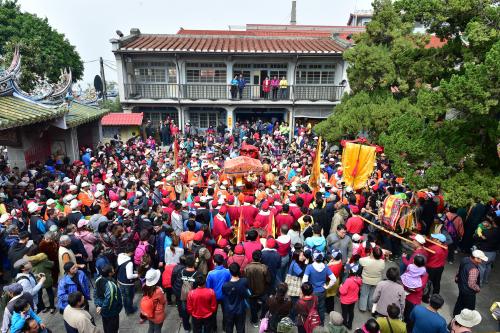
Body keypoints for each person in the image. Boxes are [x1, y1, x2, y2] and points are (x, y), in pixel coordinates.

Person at [302, 251, 337, 325]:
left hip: (312, 292)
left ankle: (311, 323)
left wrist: (305, 292)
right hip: (322, 291)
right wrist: (327, 286)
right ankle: (321, 323)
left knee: (312, 308)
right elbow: (334, 279)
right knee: (321, 308)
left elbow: (304, 281)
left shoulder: (309, 267)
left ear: (314, 258)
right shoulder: (325, 267)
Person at [453, 249, 487, 315]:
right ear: (476, 258)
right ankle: (465, 322)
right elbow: (471, 284)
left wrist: (457, 277)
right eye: (481, 259)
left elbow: (459, 270)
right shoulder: (474, 269)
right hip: (468, 292)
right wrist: (478, 288)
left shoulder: (465, 259)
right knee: (469, 309)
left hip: (461, 286)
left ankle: (456, 315)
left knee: (460, 302)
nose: (482, 261)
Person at [245, 249, 271, 327]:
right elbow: (268, 280)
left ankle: (254, 321)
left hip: (251, 291)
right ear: (260, 258)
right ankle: (262, 317)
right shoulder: (264, 267)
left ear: (252, 257)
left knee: (252, 307)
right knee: (266, 304)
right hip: (262, 291)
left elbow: (245, 280)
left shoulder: (247, 267)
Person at [206, 254, 231, 331]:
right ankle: (225, 327)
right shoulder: (228, 272)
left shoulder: (210, 273)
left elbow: (208, 287)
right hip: (225, 296)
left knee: (213, 314)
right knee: (226, 313)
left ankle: (214, 328)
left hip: (214, 297)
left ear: (214, 262)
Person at [94, 264, 122, 333]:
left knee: (106, 326)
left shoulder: (98, 279)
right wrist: (103, 308)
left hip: (102, 309)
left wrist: (98, 305)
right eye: (112, 270)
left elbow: (95, 294)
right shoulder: (111, 285)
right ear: (109, 273)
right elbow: (109, 300)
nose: (114, 271)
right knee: (113, 328)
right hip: (111, 311)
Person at [222, 263, 249, 333]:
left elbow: (224, 295)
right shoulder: (244, 281)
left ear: (230, 272)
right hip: (240, 310)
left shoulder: (225, 285)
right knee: (240, 329)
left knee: (229, 329)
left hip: (229, 310)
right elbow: (246, 294)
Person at [358, 246, 385, 312]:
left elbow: (360, 260)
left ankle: (362, 308)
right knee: (372, 295)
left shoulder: (365, 260)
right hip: (376, 281)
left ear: (372, 253)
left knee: (364, 294)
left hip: (366, 280)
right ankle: (370, 307)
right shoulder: (382, 262)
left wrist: (369, 257)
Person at [140, 269, 166, 333]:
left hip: (149, 312)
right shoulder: (158, 290)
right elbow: (163, 301)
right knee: (158, 329)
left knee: (151, 327)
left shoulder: (144, 287)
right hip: (158, 314)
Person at [116, 243, 138, 315]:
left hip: (120, 280)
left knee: (124, 296)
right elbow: (129, 276)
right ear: (132, 252)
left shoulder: (120, 255)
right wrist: (137, 275)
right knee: (129, 297)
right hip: (127, 283)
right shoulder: (129, 263)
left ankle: (126, 309)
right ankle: (129, 310)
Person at [339, 263, 362, 330]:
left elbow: (343, 291)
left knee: (344, 312)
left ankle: (345, 323)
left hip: (345, 301)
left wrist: (341, 287)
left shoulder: (348, 280)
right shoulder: (359, 279)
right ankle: (350, 324)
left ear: (350, 271)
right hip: (353, 299)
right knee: (351, 311)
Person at [425, 234, 448, 298]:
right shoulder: (445, 247)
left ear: (438, 241)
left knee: (428, 283)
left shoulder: (433, 248)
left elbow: (426, 255)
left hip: (431, 268)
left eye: (435, 238)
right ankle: (436, 295)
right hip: (440, 268)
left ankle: (425, 297)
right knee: (437, 282)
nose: (433, 239)